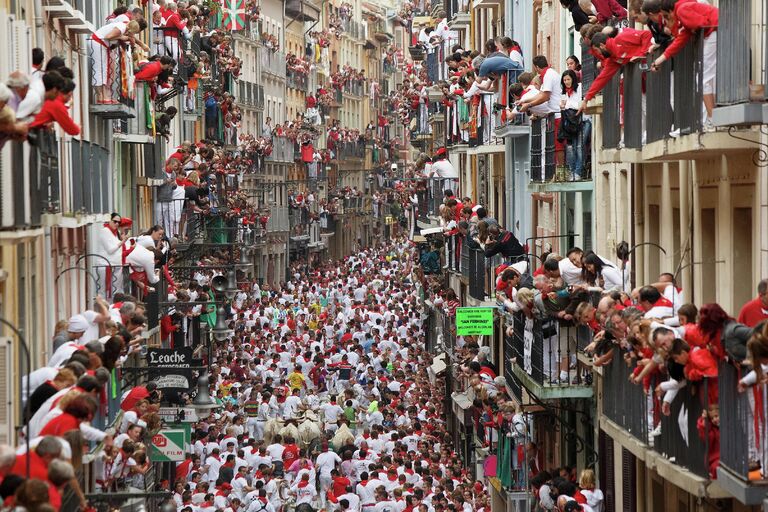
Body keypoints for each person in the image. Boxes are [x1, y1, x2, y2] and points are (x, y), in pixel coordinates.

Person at [649, 0, 719, 130]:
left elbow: (702, 24)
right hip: (716, 31)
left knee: (703, 80)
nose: (667, 20)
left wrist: (691, 30)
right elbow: (680, 41)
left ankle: (714, 120)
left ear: (670, 11)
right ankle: (715, 119)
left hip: (713, 33)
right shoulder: (683, 11)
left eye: (666, 16)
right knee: (709, 80)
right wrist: (659, 60)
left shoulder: (681, 10)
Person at [579, 28, 653, 111]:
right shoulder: (613, 59)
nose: (599, 54)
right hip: (646, 77)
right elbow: (601, 79)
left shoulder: (621, 38)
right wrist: (586, 99)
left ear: (602, 46)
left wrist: (642, 55)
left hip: (657, 67)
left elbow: (646, 34)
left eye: (597, 50)